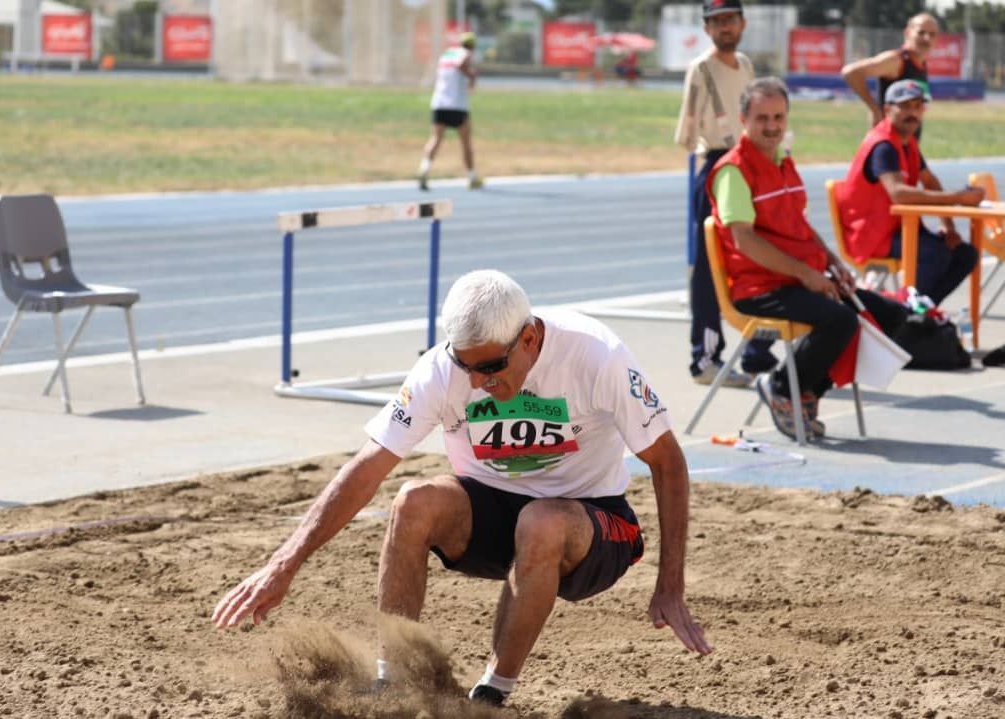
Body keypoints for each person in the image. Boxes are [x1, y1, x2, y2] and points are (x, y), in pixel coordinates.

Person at [212, 270, 712, 706]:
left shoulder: (597, 356)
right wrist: (284, 564)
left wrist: (670, 585)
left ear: (531, 339)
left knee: (542, 522)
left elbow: (668, 462)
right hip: (493, 515)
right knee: (414, 501)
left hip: (591, 524)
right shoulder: (441, 371)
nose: (476, 382)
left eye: (491, 367)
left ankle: (493, 693)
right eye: (465, 366)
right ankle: (397, 682)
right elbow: (368, 467)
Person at [707, 78, 907, 440]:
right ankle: (782, 387)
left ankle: (809, 388)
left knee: (889, 315)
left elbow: (799, 225)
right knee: (840, 320)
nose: (772, 127)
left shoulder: (784, 161)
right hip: (759, 286)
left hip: (800, 278)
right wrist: (806, 274)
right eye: (762, 118)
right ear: (743, 120)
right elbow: (745, 240)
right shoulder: (733, 170)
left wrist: (832, 263)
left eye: (779, 117)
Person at [675, 0, 776, 388]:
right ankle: (705, 357)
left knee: (760, 255)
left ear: (742, 23)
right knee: (709, 265)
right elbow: (686, 134)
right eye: (717, 23)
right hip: (717, 165)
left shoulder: (747, 66)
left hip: (751, 163)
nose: (725, 28)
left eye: (730, 21)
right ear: (707, 28)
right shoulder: (701, 70)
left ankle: (757, 350)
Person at [837, 79, 982, 306]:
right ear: (887, 109)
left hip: (899, 230)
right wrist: (959, 198)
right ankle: (908, 312)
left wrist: (949, 227)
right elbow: (899, 194)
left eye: (917, 106)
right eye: (904, 106)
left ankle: (921, 310)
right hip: (872, 237)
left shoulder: (907, 143)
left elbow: (930, 182)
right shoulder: (883, 145)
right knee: (935, 254)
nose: (912, 113)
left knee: (965, 254)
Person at [841, 13, 938, 129]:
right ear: (907, 33)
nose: (927, 38)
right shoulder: (896, 60)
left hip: (907, 142)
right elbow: (851, 72)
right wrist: (874, 109)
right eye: (921, 32)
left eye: (932, 34)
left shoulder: (921, 63)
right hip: (889, 139)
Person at [418, 31, 482, 191]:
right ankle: (472, 176)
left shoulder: (446, 55)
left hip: (439, 103)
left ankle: (424, 169)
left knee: (435, 138)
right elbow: (462, 64)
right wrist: (472, 76)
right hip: (457, 105)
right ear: (472, 46)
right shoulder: (466, 54)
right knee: (466, 142)